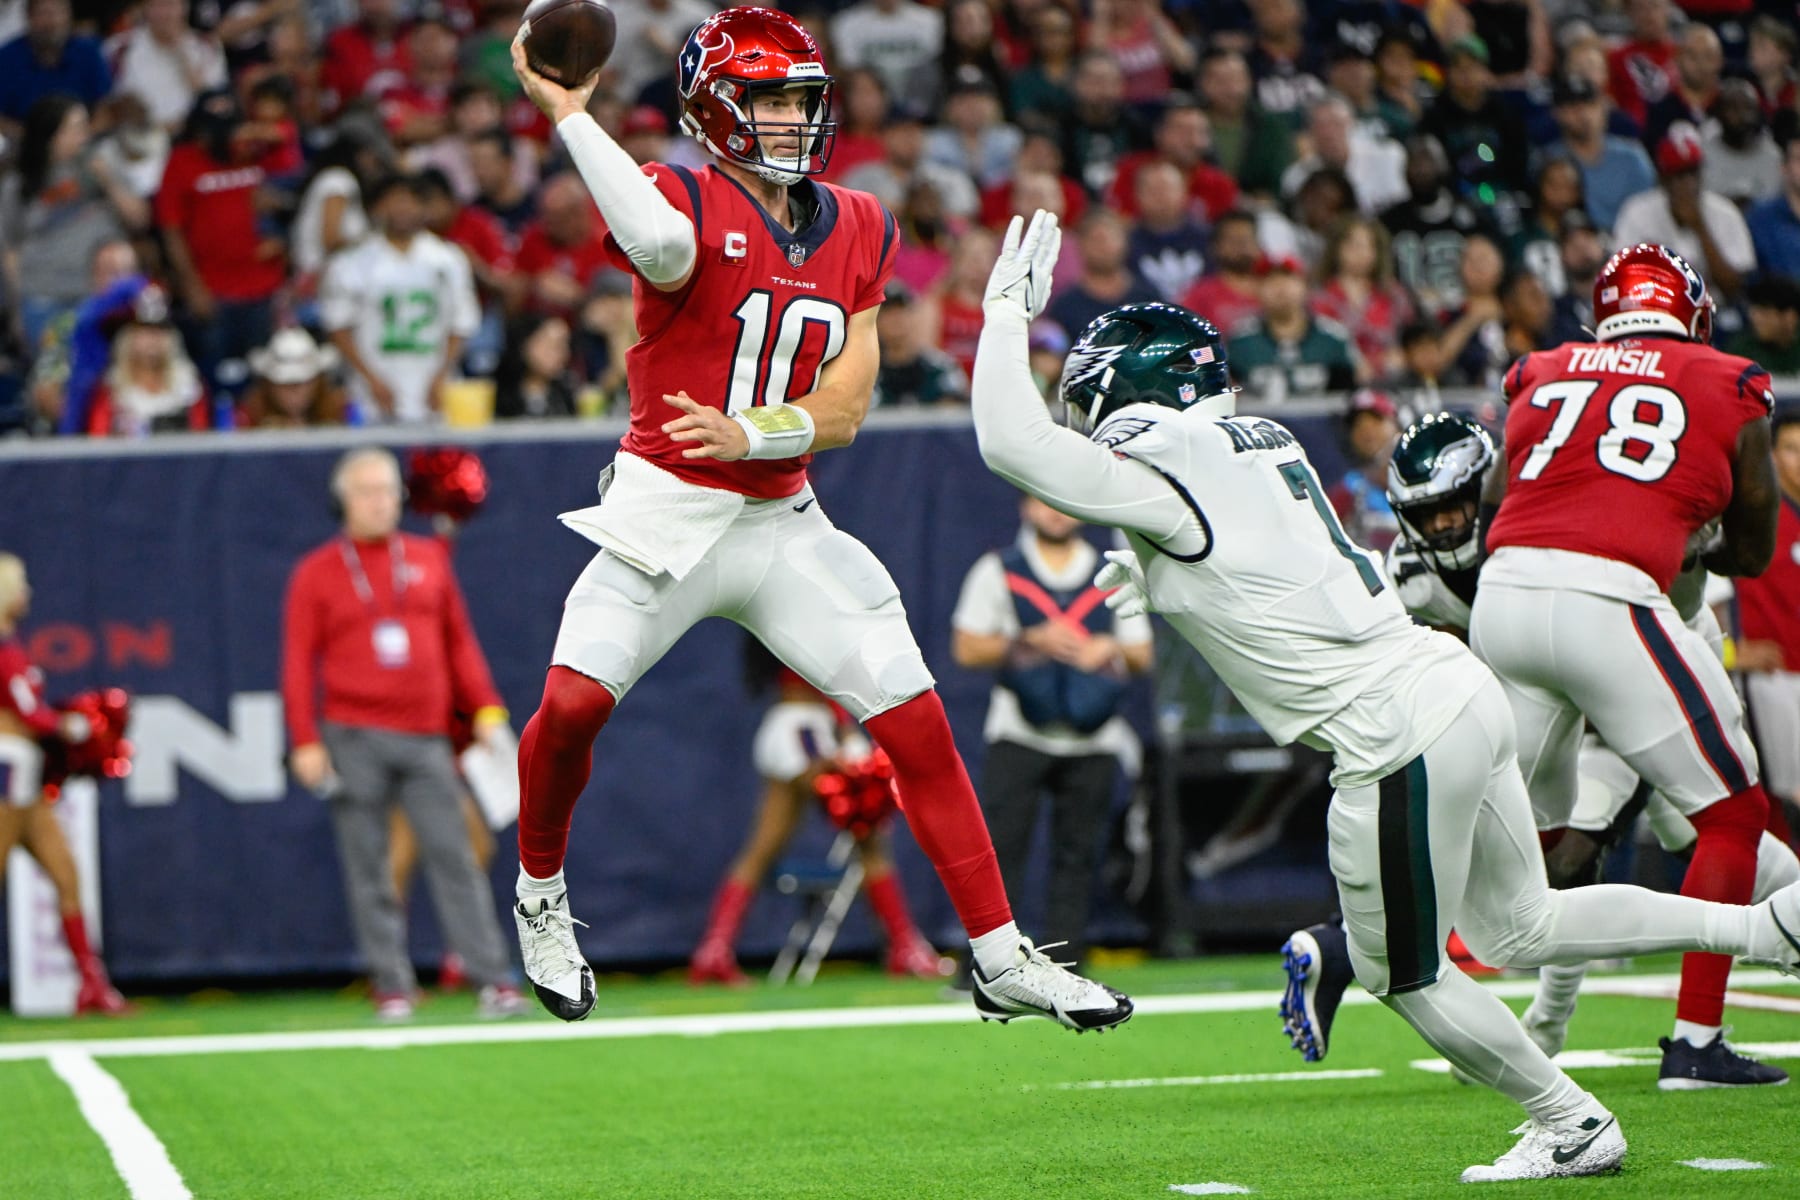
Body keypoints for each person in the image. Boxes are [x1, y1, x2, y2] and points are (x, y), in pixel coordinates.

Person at [967, 209, 1800, 1182]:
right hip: (1454, 686)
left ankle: (1570, 1121)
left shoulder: (1167, 452)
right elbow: (1245, 558)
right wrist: (1158, 574)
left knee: (1406, 975)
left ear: (1126, 391)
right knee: (1521, 924)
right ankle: (1763, 928)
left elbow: (1008, 442)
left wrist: (1003, 313)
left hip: (1389, 733)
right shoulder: (1254, 441)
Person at [502, 9, 1133, 1032]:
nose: (795, 119)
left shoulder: (860, 222)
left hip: (779, 516)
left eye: (802, 99)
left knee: (915, 720)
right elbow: (660, 245)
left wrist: (750, 433)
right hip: (668, 508)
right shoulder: (681, 195)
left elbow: (843, 409)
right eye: (771, 101)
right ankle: (539, 897)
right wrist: (571, 114)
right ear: (717, 111)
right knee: (570, 707)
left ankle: (1000, 955)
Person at [1380, 412, 1800, 1081]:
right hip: (1551, 695)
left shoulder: (1557, 527)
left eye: (1454, 507)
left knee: (1587, 854)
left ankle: (1560, 1023)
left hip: (1645, 677)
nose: (1444, 527)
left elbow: (1642, 636)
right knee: (1693, 842)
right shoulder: (1412, 575)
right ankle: (1559, 1023)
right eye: (1426, 515)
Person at [1471, 243, 1794, 1088]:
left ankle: (1470, 998)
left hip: (1502, 598)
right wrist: (1694, 538)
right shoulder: (1730, 379)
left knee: (1544, 850)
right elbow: (1753, 552)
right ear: (1692, 314)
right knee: (1733, 814)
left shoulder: (1541, 368)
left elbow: (1498, 506)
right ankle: (1695, 1041)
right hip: (1606, 599)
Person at [281, 447, 527, 1022]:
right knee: (368, 864)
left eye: (388, 490)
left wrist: (487, 708)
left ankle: (492, 979)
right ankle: (391, 983)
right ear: (343, 499)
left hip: (425, 734)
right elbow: (297, 662)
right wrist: (305, 739)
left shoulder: (426, 558)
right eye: (367, 491)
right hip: (353, 733)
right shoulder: (316, 571)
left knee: (456, 855)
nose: (380, 502)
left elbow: (459, 641)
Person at [951, 495, 1152, 968]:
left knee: (1079, 857)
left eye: (1060, 503)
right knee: (998, 854)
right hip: (1018, 732)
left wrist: (1106, 647)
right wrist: (1028, 640)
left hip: (1094, 737)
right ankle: (989, 966)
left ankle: (1066, 965)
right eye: (1041, 503)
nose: (1054, 513)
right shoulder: (999, 569)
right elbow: (966, 648)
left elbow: (1142, 654)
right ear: (1024, 507)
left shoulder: (1112, 572)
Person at [688, 639, 946, 985]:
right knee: (869, 836)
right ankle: (903, 947)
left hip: (796, 724)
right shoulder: (797, 625)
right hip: (805, 730)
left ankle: (714, 950)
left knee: (764, 846)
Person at [0, 553, 131, 1015]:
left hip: (27, 782)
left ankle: (92, 984)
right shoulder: (3, 651)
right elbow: (29, 714)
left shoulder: (12, 646)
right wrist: (72, 726)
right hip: (5, 776)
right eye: (21, 586)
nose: (27, 594)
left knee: (66, 875)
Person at [320, 173, 479, 423]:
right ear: (378, 206)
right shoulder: (351, 262)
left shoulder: (448, 259)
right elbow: (338, 326)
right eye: (394, 200)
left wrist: (441, 375)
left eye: (411, 201)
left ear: (425, 207)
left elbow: (461, 323)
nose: (403, 209)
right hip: (374, 387)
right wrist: (370, 379)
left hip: (432, 384)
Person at [1738, 409, 1800, 820]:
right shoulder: (1753, 518)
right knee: (1777, 805)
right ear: (1773, 456)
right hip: (1772, 678)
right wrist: (1729, 652)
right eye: (1792, 449)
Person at [1613, 131, 1756, 305]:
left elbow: (1734, 288)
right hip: (1653, 308)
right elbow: (1623, 277)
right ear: (1662, 178)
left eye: (1693, 172)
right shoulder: (1636, 212)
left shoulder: (1725, 213)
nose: (1689, 183)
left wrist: (1700, 227)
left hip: (1715, 310)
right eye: (1679, 175)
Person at [240, 327, 347, 428]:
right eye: (284, 385)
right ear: (269, 385)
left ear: (317, 382)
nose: (293, 392)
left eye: (300, 383)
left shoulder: (342, 414)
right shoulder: (247, 418)